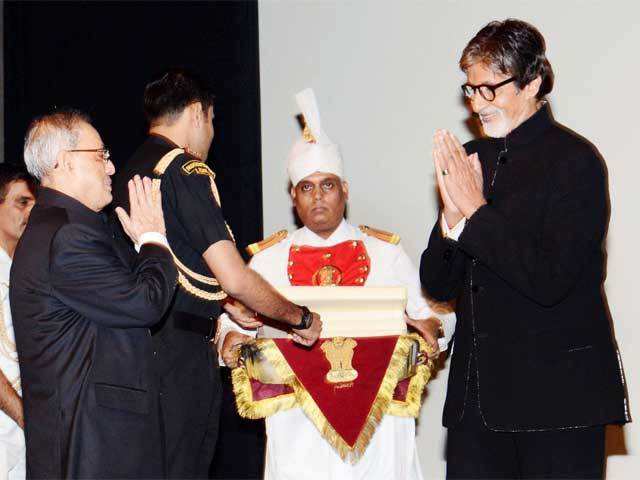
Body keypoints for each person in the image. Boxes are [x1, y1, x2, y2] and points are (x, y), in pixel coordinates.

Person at [420, 19, 629, 479]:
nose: (477, 103)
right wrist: (452, 222)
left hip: (558, 404)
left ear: (533, 81)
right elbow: (436, 283)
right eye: (470, 90)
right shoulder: (472, 158)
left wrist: (475, 212)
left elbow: (549, 280)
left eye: (490, 89)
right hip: (477, 408)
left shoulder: (576, 162)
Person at [217, 88, 455, 480]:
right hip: (298, 430)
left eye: (327, 185)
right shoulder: (266, 261)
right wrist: (229, 340)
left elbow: (435, 315)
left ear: (344, 189)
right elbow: (233, 321)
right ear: (294, 197)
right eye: (306, 188)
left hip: (377, 434)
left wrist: (435, 331)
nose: (318, 197)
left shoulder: (386, 254)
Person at [112, 69, 321, 479]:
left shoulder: (130, 168)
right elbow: (235, 276)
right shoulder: (186, 171)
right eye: (212, 121)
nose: (212, 134)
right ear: (196, 114)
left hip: (133, 352)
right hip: (179, 355)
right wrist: (300, 317)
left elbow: (172, 262)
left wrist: (226, 302)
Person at [10, 110, 178, 478]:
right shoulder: (67, 235)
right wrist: (154, 239)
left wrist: (142, 249)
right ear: (65, 163)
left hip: (95, 443)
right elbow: (144, 303)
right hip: (94, 448)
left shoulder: (65, 228)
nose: (112, 167)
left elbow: (115, 306)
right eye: (101, 155)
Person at [0, 164, 35, 480]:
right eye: (21, 202)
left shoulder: (24, 270)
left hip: (26, 427)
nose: (31, 210)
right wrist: (26, 416)